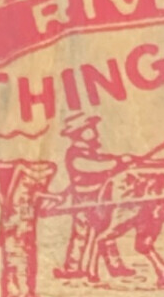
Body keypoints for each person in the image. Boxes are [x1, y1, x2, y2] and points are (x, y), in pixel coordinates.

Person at [54, 113, 134, 282]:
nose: (94, 131)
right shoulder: (75, 154)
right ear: (78, 133)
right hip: (84, 199)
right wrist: (118, 162)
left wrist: (120, 161)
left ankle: (115, 266)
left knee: (107, 232)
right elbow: (92, 166)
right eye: (89, 128)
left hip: (101, 197)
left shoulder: (91, 152)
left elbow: (104, 161)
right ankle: (73, 268)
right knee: (82, 233)